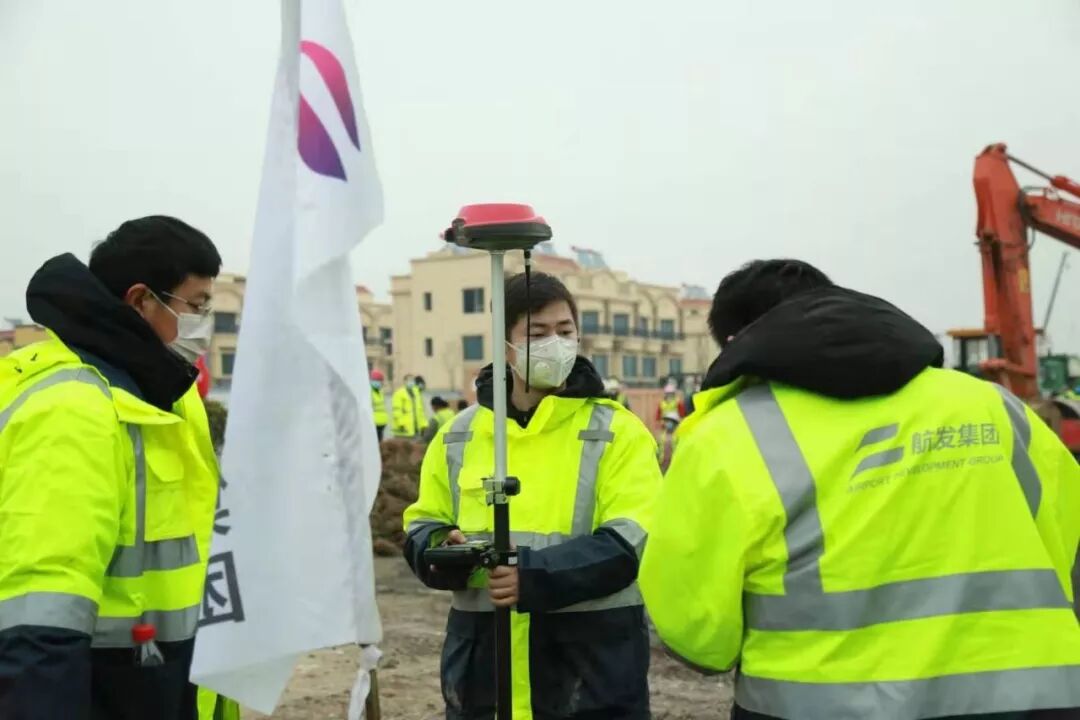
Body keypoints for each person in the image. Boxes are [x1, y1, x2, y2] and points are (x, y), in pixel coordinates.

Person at [640, 259, 1080, 720]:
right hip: (1031, 695)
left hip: (815, 705)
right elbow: (1066, 535)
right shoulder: (995, 406)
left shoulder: (723, 436)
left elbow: (695, 629)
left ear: (734, 343)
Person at [0, 216, 237, 720]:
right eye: (195, 305)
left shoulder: (162, 398)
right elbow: (43, 601)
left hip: (163, 680)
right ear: (139, 300)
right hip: (103, 686)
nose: (203, 323)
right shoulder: (73, 407)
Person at [403, 271, 660, 719]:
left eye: (565, 331)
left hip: (588, 669)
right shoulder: (458, 436)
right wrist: (440, 549)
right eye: (537, 333)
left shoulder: (617, 432)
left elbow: (634, 538)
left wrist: (533, 575)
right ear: (505, 345)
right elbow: (423, 522)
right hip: (485, 664)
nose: (555, 343)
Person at [392, 373, 429, 439]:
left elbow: (421, 411)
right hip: (404, 430)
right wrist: (401, 424)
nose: (411, 382)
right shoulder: (399, 393)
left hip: (416, 429)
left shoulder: (417, 393)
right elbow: (397, 411)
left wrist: (424, 425)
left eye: (412, 380)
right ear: (405, 381)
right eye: (409, 380)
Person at [370, 369, 388, 440]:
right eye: (375, 380)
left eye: (379, 380)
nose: (377, 382)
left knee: (380, 443)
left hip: (382, 423)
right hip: (373, 423)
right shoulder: (369, 392)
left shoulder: (380, 392)